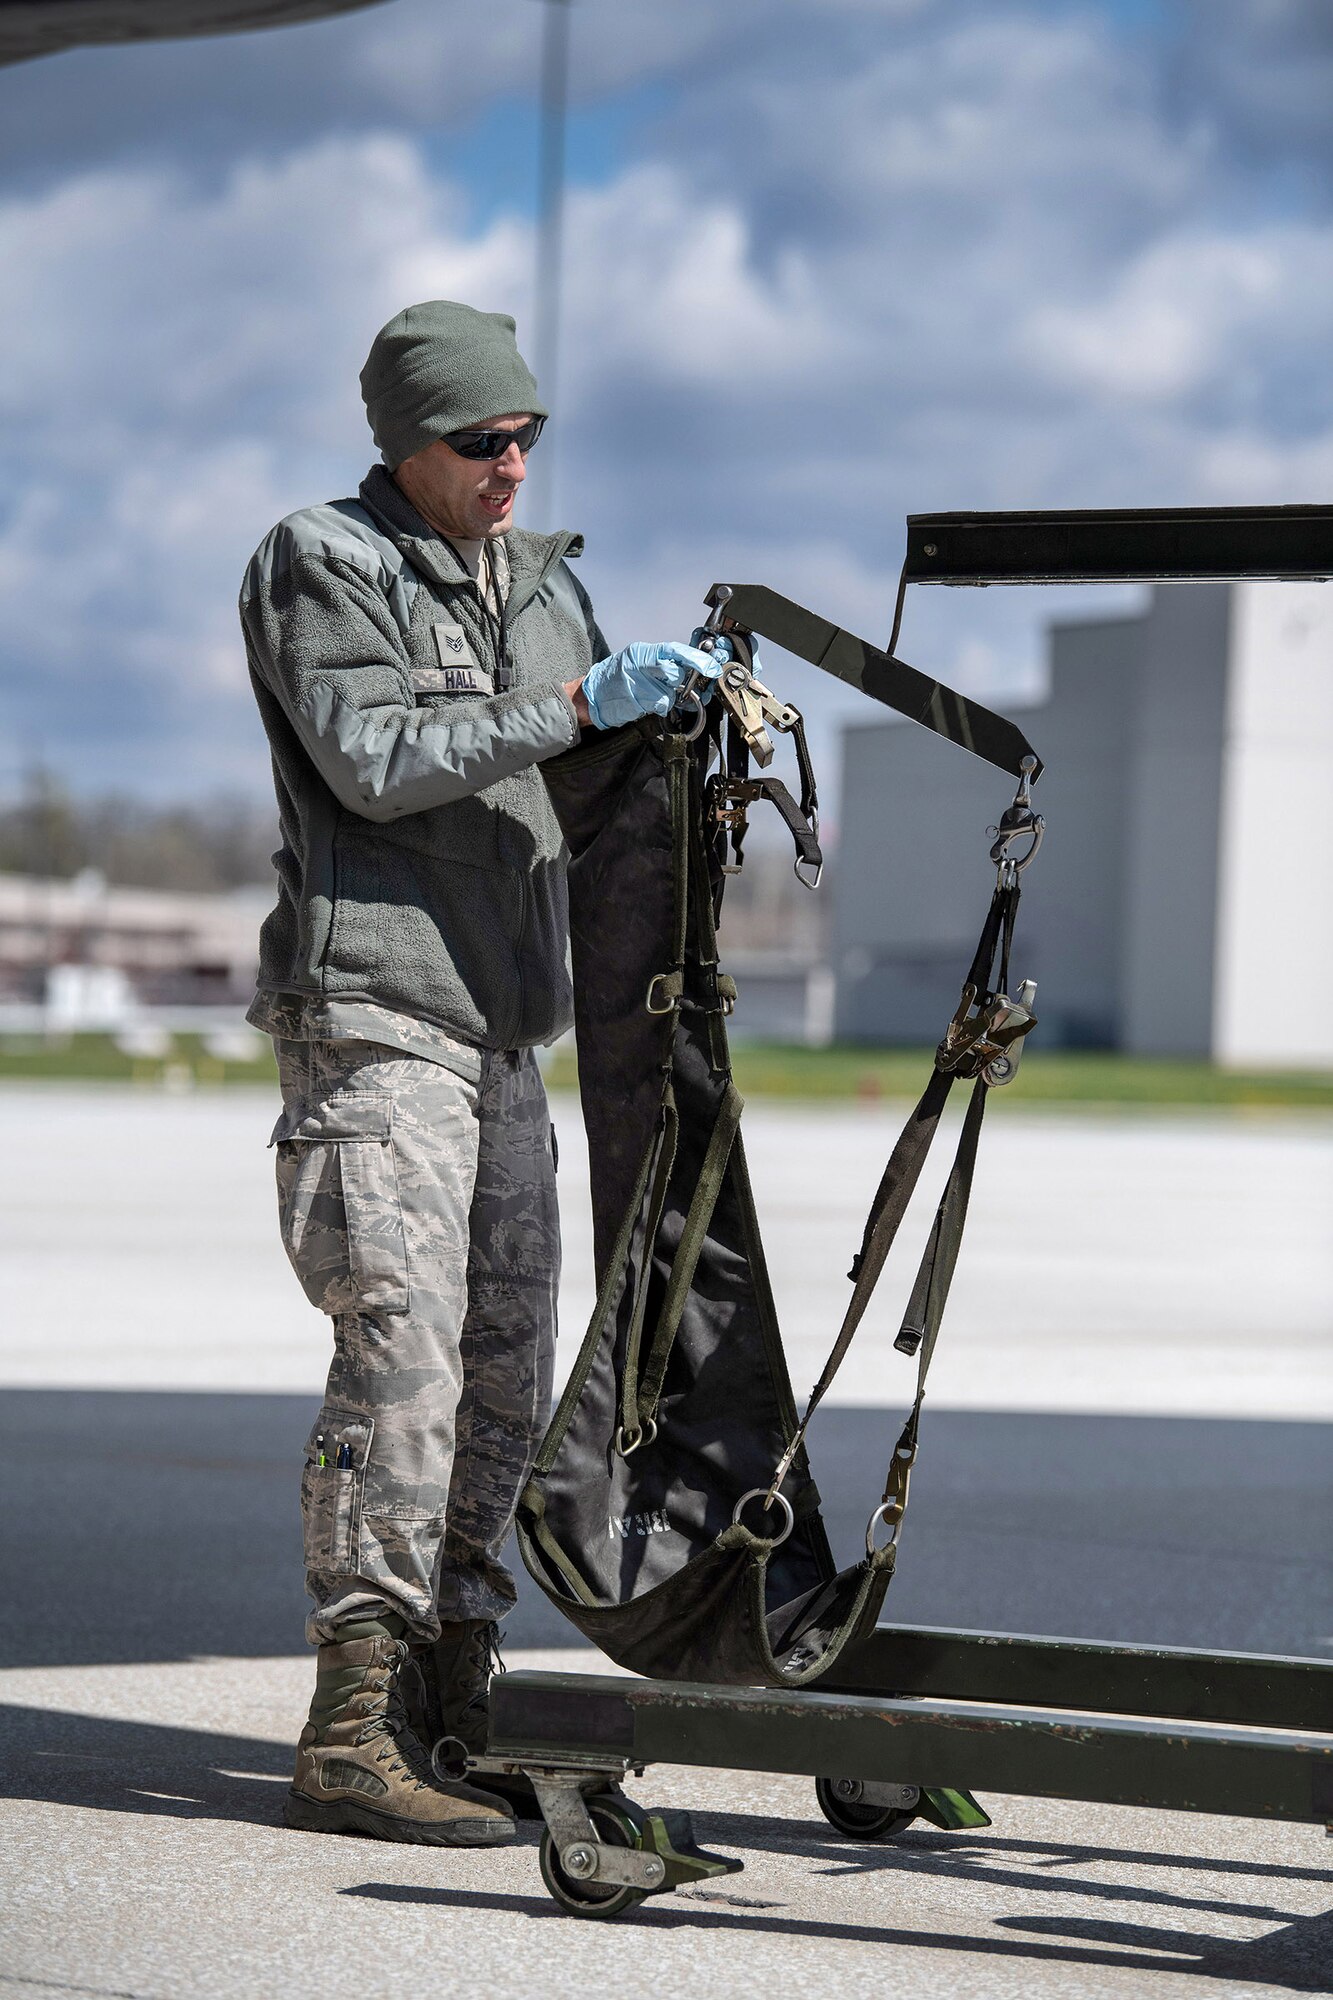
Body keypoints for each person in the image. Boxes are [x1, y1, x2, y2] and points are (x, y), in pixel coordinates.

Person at [239, 299, 724, 1847]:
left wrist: (668, 734)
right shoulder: (327, 560)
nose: (511, 465)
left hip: (511, 1027)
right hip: (380, 1014)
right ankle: (352, 1724)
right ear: (407, 443)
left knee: (510, 1371)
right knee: (406, 1360)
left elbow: (576, 773)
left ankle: (454, 1691)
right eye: (480, 443)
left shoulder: (543, 584)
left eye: (528, 437)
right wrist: (578, 705)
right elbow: (371, 758)